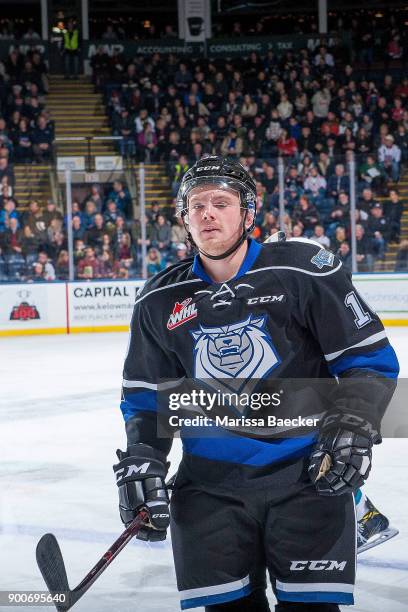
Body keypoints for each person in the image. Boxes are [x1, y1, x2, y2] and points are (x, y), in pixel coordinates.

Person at [114, 157, 399, 612]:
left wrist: (353, 423)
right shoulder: (158, 299)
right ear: (184, 219)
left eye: (221, 203)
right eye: (197, 205)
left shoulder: (304, 271)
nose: (208, 213)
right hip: (208, 489)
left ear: (248, 214)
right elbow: (146, 400)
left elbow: (369, 362)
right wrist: (144, 460)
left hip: (308, 479)